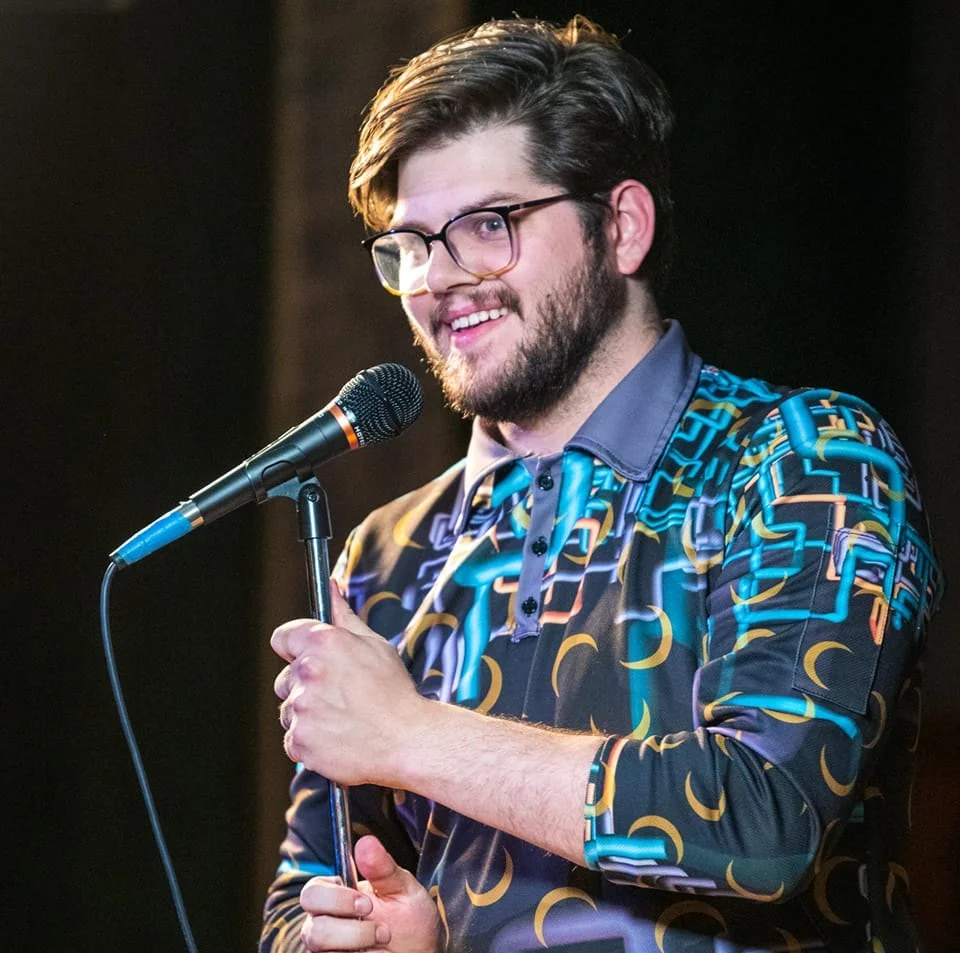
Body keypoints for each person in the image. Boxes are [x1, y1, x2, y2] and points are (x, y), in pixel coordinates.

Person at [261, 16, 942, 953]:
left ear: (621, 226)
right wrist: (362, 937)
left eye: (488, 225)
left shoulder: (803, 455)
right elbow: (303, 891)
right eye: (412, 244)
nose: (440, 280)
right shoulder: (388, 550)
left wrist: (411, 734)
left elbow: (762, 818)